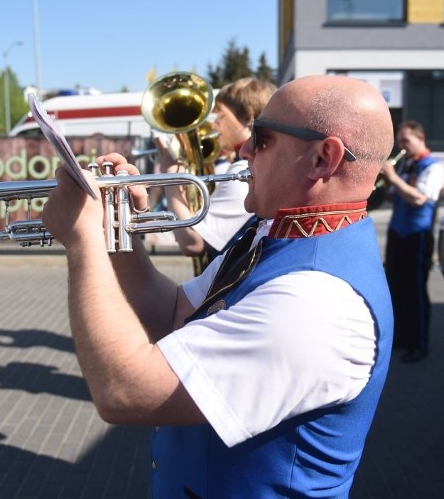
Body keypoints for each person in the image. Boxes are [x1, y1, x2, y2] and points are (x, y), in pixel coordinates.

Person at [42, 75, 395, 497]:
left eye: (261, 138)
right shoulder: (271, 231)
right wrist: (119, 235)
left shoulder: (318, 303)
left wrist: (83, 241)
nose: (243, 149)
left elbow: (123, 391)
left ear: (323, 158)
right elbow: (173, 313)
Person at [157, 77, 276, 271]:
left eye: (220, 116)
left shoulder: (243, 171)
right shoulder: (252, 165)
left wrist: (171, 177)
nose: (214, 125)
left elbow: (192, 242)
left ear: (247, 118)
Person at [378, 120, 444, 363]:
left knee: (416, 291)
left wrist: (393, 177)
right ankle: (401, 338)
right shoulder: (407, 164)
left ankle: (419, 343)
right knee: (396, 286)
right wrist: (386, 182)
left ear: (421, 138)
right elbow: (393, 195)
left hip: (418, 234)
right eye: (400, 142)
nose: (402, 146)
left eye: (406, 141)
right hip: (398, 232)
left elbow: (419, 199)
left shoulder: (433, 168)